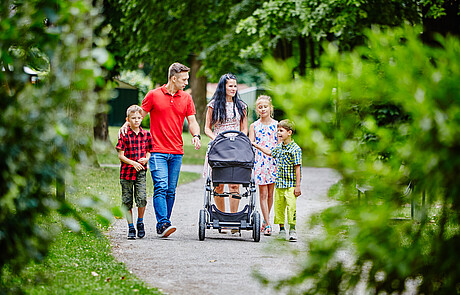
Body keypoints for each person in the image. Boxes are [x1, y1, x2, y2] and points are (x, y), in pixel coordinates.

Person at [119, 62, 202, 238]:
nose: (186, 82)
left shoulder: (186, 98)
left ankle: (163, 224)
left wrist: (196, 135)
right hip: (156, 150)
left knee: (171, 190)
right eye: (184, 79)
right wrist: (125, 125)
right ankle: (163, 222)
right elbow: (138, 114)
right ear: (174, 78)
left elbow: (192, 121)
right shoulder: (154, 95)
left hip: (177, 151)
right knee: (161, 186)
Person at [204, 73, 248, 213]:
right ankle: (222, 217)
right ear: (223, 87)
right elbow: (207, 128)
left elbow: (244, 128)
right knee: (219, 185)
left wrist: (241, 139)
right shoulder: (213, 105)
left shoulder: (241, 106)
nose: (234, 88)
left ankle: (233, 217)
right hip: (219, 146)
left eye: (235, 86)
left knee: (234, 185)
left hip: (236, 147)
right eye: (230, 86)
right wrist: (216, 139)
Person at [252, 119, 302, 241]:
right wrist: (256, 145)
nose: (278, 133)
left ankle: (292, 229)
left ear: (289, 132)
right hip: (279, 184)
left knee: (291, 207)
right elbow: (270, 152)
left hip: (290, 184)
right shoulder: (279, 147)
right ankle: (281, 229)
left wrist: (298, 186)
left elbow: (297, 168)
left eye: (281, 131)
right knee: (279, 208)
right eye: (277, 130)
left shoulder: (295, 149)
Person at [116, 105, 154, 240]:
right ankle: (131, 227)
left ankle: (140, 222)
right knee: (127, 201)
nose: (136, 120)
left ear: (142, 118)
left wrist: (146, 159)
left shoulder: (146, 135)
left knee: (142, 198)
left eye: (139, 118)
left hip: (141, 173)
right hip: (126, 173)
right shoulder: (124, 135)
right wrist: (133, 163)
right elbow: (121, 155)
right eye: (133, 118)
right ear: (128, 119)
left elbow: (149, 150)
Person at [248, 95, 277, 236]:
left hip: (274, 162)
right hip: (260, 161)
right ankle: (268, 224)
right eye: (260, 107)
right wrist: (260, 148)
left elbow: (280, 143)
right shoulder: (254, 126)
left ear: (270, 108)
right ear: (257, 109)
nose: (263, 109)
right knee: (263, 193)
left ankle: (265, 221)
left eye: (265, 106)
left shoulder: (277, 125)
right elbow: (250, 142)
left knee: (271, 193)